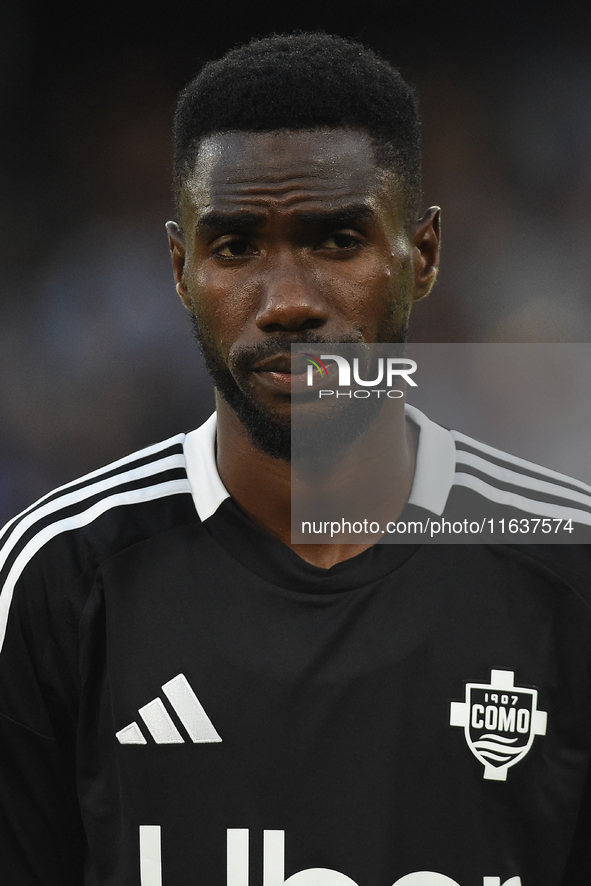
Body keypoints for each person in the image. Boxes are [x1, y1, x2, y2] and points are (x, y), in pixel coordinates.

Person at [1, 31, 591, 886]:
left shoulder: (564, 568)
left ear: (420, 256)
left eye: (337, 242)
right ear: (178, 267)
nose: (286, 303)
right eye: (235, 247)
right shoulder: (60, 576)